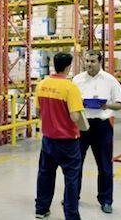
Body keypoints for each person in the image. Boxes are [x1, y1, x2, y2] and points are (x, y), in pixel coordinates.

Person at [35, 53, 89, 220]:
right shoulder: (70, 87)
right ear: (68, 67)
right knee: (71, 179)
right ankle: (71, 216)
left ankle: (41, 209)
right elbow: (75, 116)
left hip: (48, 139)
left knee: (45, 174)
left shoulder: (42, 84)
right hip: (68, 141)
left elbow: (38, 112)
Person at [73, 50, 121, 214]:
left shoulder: (110, 80)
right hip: (82, 125)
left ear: (100, 62)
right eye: (87, 61)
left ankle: (106, 200)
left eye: (92, 61)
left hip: (102, 127)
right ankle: (73, 197)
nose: (89, 64)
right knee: (75, 165)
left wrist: (106, 106)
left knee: (105, 166)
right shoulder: (77, 80)